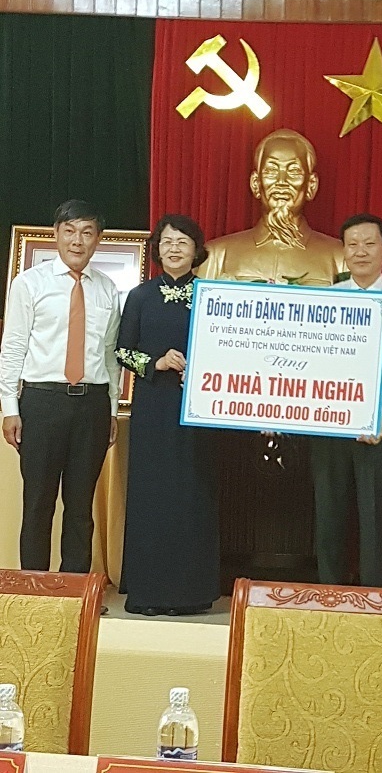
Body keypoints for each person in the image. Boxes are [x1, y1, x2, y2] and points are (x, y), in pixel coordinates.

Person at [0, 200, 120, 573]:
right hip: (42, 403)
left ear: (98, 239)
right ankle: (34, 590)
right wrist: (10, 409)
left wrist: (112, 410)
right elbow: (12, 348)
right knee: (38, 503)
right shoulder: (29, 284)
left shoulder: (108, 289)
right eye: (69, 231)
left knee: (81, 507)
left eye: (86, 232)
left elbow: (110, 356)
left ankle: (75, 591)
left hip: (92, 406)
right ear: (55, 234)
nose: (77, 241)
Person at [116, 214, 220, 616]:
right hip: (153, 408)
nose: (174, 248)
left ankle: (191, 594)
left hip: (199, 409)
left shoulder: (213, 296)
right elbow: (122, 351)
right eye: (167, 242)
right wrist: (155, 362)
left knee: (193, 493)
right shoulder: (140, 296)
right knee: (152, 494)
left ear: (196, 250)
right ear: (157, 249)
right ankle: (148, 593)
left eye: (182, 242)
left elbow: (231, 345)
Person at [310, 213, 382, 587]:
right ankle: (330, 592)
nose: (361, 251)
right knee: (329, 511)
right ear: (343, 251)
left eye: (369, 244)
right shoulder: (325, 300)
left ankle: (375, 596)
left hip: (378, 417)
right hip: (327, 417)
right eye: (353, 244)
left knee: (375, 513)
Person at [197, 128, 346, 286]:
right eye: (271, 171)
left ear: (311, 185)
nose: (281, 181)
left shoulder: (340, 257)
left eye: (294, 171)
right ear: (255, 183)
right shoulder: (217, 254)